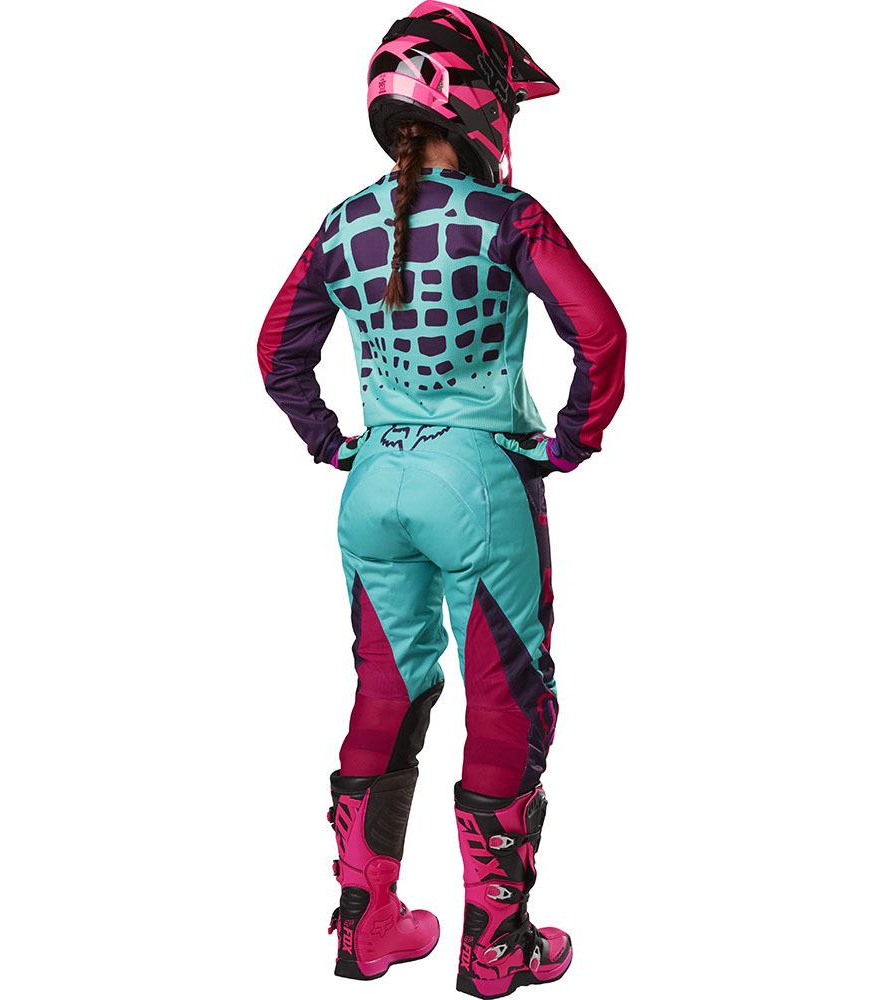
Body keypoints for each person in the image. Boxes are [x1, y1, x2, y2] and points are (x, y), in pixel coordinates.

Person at [256, 4, 626, 995]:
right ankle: (495, 944)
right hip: (480, 483)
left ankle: (365, 927)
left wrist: (330, 441)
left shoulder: (341, 223)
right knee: (507, 699)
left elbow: (275, 352)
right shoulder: (509, 217)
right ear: (478, 106)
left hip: (373, 484)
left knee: (386, 690)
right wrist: (572, 441)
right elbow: (600, 334)